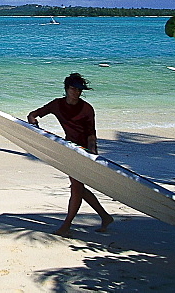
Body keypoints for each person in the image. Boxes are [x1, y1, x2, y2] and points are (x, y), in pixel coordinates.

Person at [27, 73, 113, 237]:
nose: (76, 92)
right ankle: (105, 217)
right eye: (73, 89)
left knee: (76, 188)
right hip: (69, 148)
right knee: (78, 188)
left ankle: (66, 226)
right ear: (66, 89)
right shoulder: (57, 104)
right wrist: (35, 127)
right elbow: (33, 114)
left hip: (85, 151)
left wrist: (92, 155)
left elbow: (91, 134)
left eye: (79, 89)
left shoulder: (87, 108)